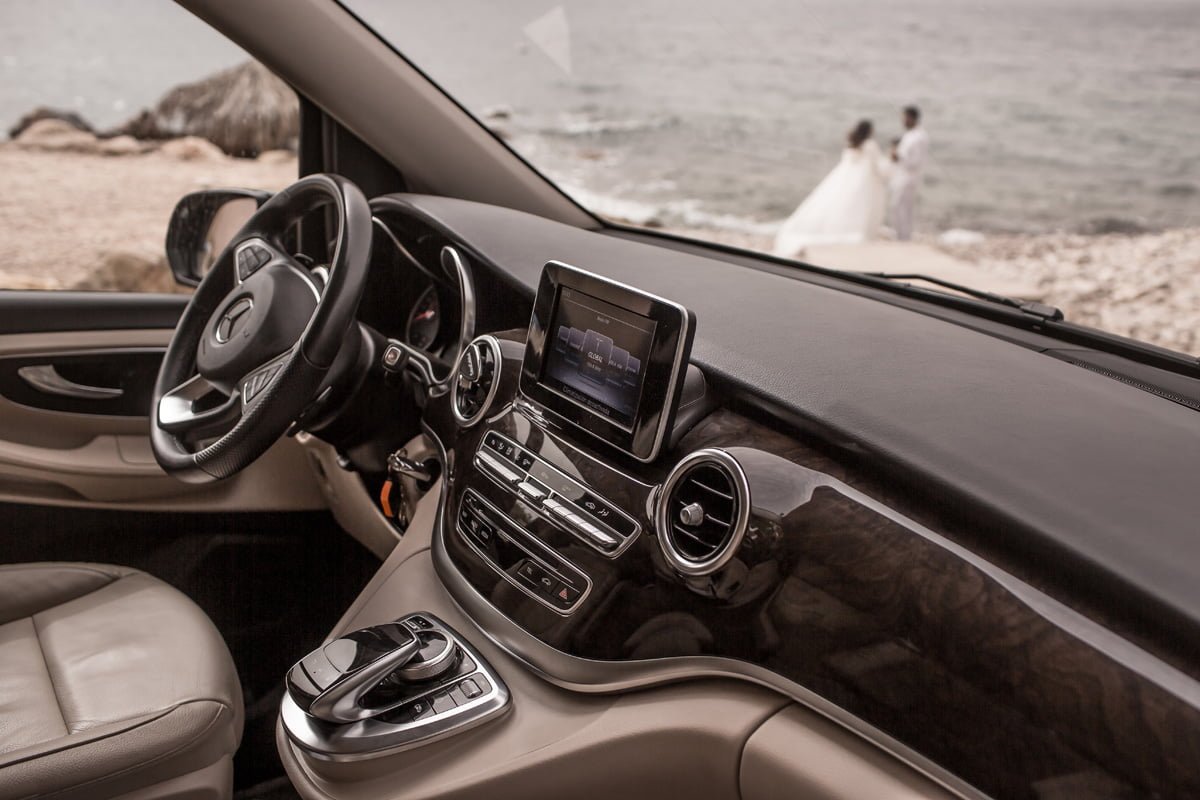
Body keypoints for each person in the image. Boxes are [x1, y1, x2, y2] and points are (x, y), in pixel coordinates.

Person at [773, 120, 891, 258]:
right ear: (869, 130)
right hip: (866, 182)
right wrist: (893, 163)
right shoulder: (870, 144)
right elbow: (880, 165)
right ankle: (859, 232)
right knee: (861, 208)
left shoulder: (853, 144)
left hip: (848, 179)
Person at [889, 105, 930, 241]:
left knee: (900, 207)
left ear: (912, 118)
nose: (903, 121)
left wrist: (898, 156)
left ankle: (903, 237)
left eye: (904, 118)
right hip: (903, 175)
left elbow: (915, 161)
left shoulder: (919, 136)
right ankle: (901, 236)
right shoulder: (910, 134)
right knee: (901, 207)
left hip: (909, 176)